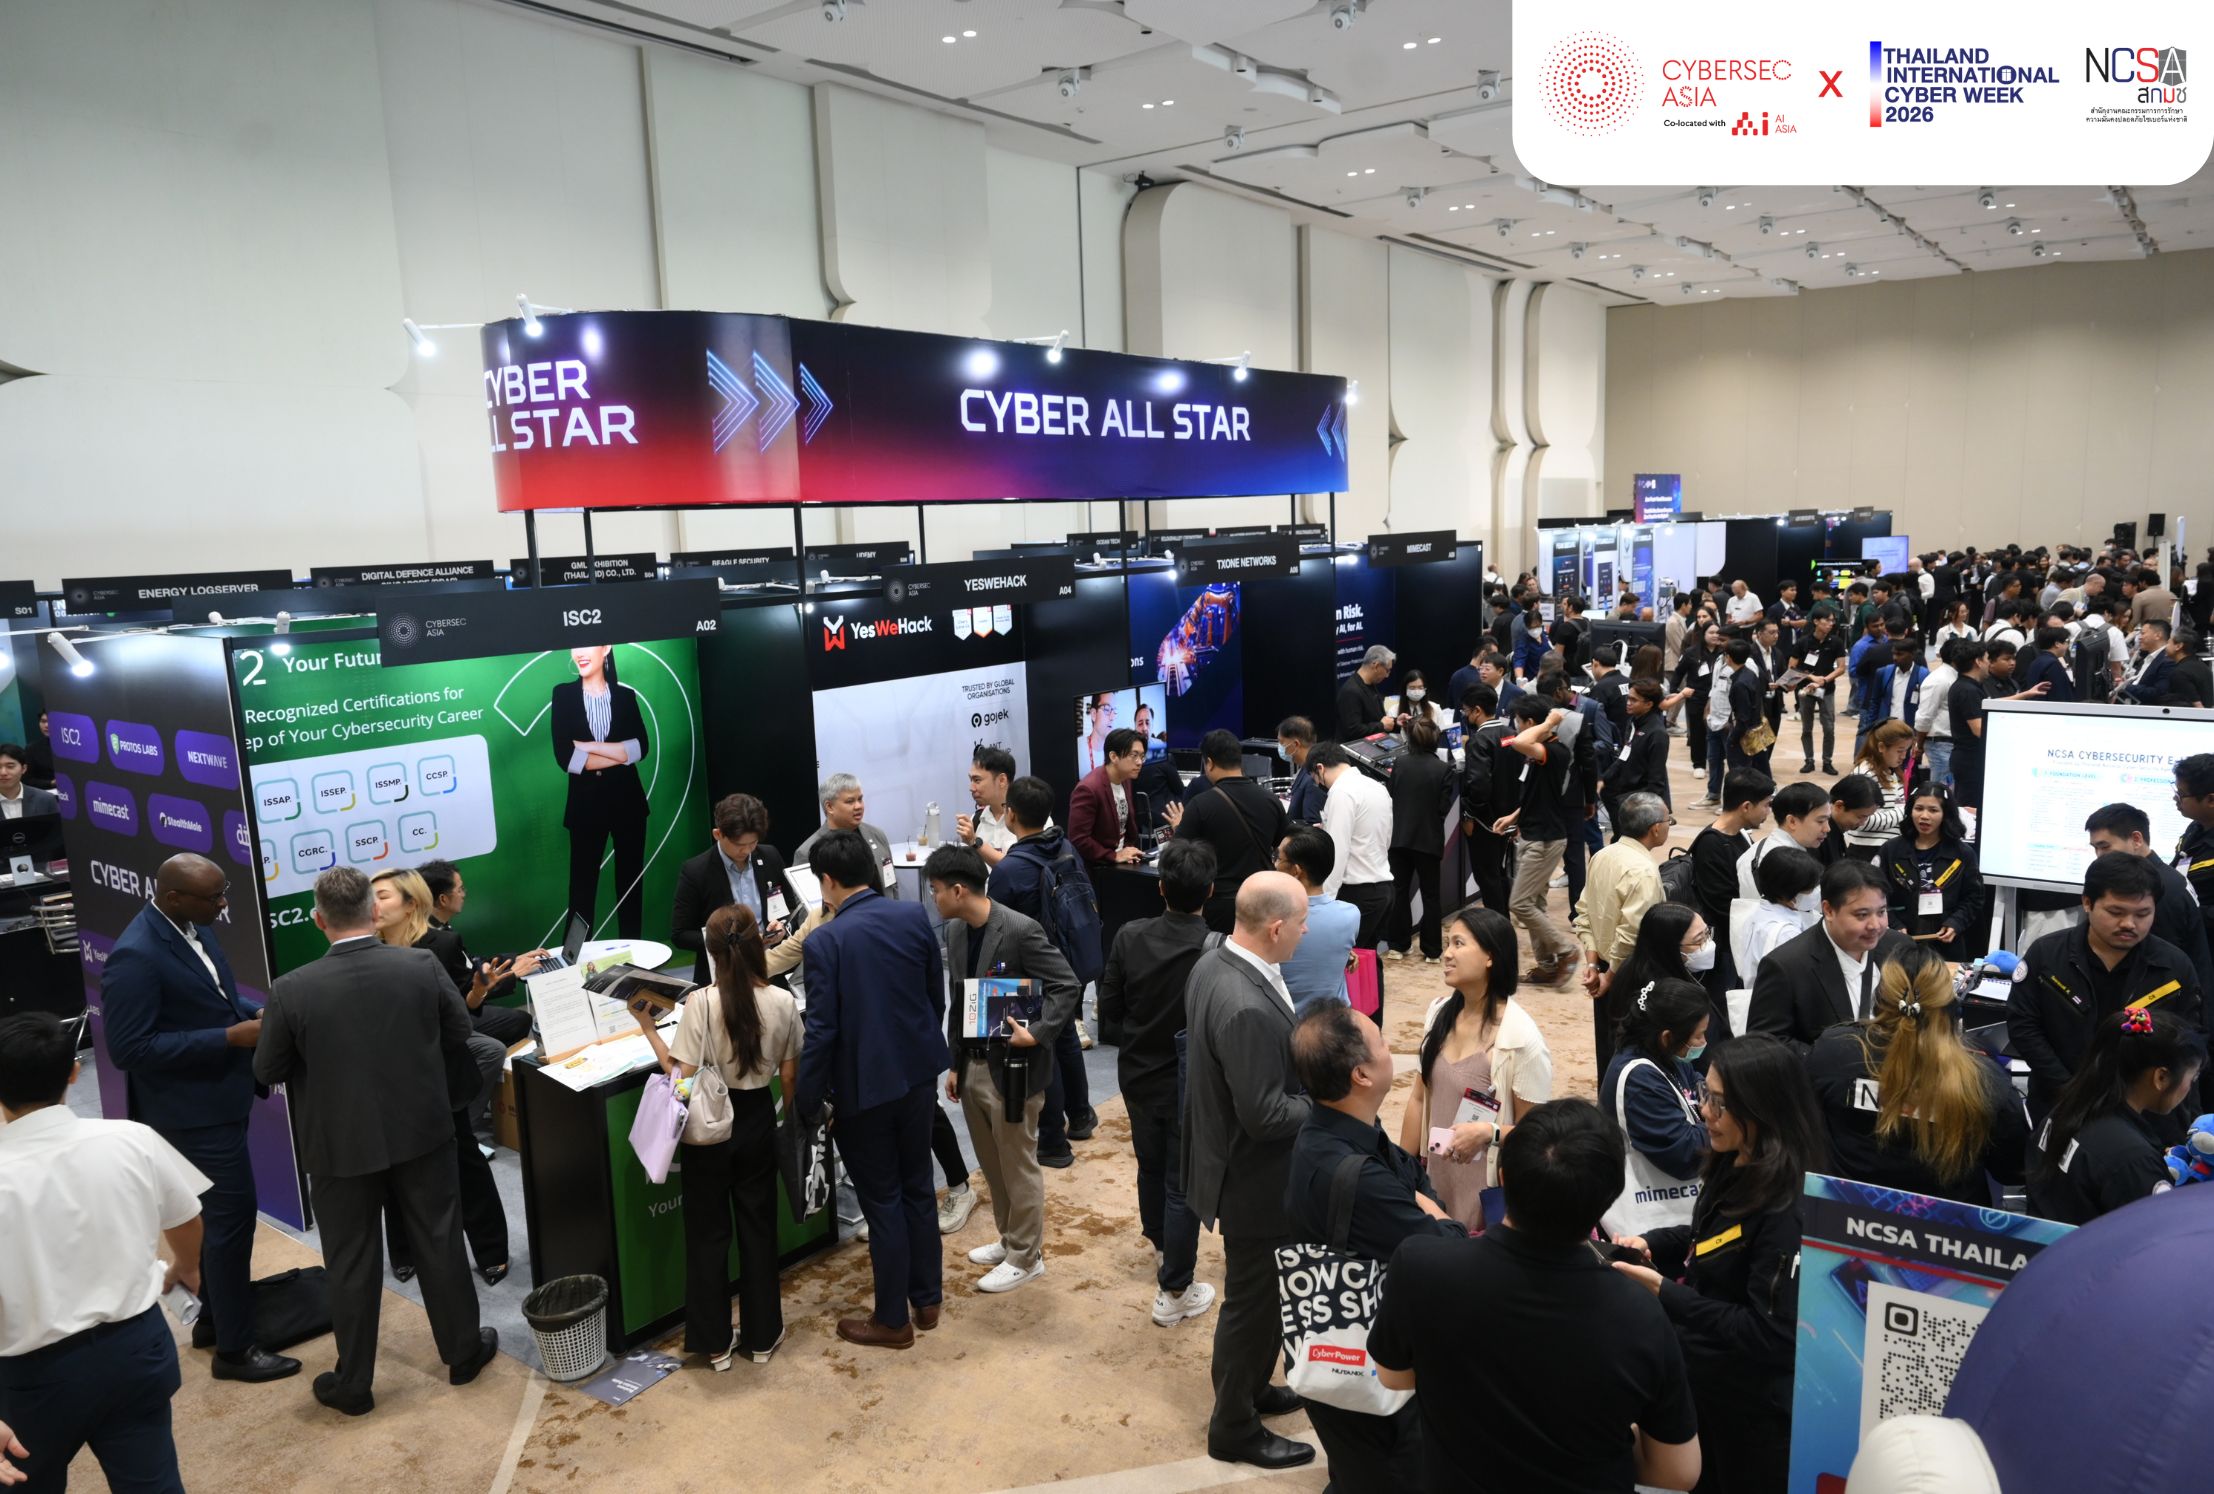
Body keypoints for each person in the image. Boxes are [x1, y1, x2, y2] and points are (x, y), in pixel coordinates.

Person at [254, 867, 496, 1415]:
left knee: (350, 1260)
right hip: (424, 1131)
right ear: (372, 912)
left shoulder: (291, 989)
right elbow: (461, 1032)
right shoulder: (421, 966)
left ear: (318, 921)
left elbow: (268, 1069)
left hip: (338, 1148)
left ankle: (354, 1383)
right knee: (439, 1240)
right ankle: (462, 1353)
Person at [1370, 1099, 1702, 1494]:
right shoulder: (1640, 1313)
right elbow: (1678, 1472)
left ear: (1504, 1178)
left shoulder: (1422, 1267)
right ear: (1609, 1196)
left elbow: (1393, 1376)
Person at [99, 852, 298, 1384]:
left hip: (219, 1098)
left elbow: (214, 998)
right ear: (173, 897)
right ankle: (236, 1351)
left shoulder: (194, 925)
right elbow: (130, 1049)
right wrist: (229, 1038)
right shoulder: (135, 956)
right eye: (214, 897)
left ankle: (213, 1321)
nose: (224, 904)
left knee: (221, 1221)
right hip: (189, 1114)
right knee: (231, 1221)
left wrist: (248, 1015)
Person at [0, 1012, 210, 1492]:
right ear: (75, 1072)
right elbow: (186, 1217)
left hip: (32, 1376)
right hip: (138, 1350)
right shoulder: (131, 1138)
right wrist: (186, 1267)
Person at [1613, 1035, 1819, 1494]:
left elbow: (1768, 1334)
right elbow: (1708, 1237)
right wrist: (1651, 1242)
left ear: (1762, 1109)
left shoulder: (1787, 1209)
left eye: (1720, 1103)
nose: (1705, 1112)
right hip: (1704, 1385)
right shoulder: (1733, 1162)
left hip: (1750, 1413)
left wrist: (1665, 1292)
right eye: (1705, 1094)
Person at [1283, 1004, 1467, 1493]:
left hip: (1346, 1362)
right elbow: (1446, 1246)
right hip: (1368, 1377)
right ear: (1361, 1074)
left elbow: (1414, 1179)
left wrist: (1421, 1200)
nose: (1390, 1049)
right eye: (1381, 1042)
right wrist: (1432, 1210)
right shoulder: (1356, 1176)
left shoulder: (1336, 1130)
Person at [794, 829, 950, 1349]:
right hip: (918, 1074)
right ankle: (927, 1299)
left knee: (882, 1200)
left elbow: (821, 1033)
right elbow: (934, 994)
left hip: (863, 1089)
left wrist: (807, 1100)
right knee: (918, 1185)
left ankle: (891, 1321)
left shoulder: (824, 942)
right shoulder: (912, 916)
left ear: (827, 881)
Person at [1181, 872, 1314, 1470]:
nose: (1307, 932)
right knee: (1253, 1306)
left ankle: (1254, 1388)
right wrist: (1326, 1100)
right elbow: (1265, 1115)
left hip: (1232, 1161)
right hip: (1254, 1178)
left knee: (1263, 1300)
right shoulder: (1246, 1005)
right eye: (1302, 923)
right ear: (1277, 928)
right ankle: (1233, 1426)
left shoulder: (1214, 959)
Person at [629, 904, 800, 1368]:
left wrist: (649, 1029)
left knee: (707, 1233)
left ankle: (715, 1342)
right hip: (757, 1118)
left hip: (707, 1127)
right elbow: (789, 1076)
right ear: (758, 944)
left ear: (711, 951)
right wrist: (791, 1125)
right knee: (758, 1230)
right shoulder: (783, 1002)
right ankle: (762, 1336)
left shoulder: (700, 1003)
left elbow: (680, 1079)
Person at [927, 845, 1080, 1296]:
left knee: (1018, 1164)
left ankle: (1026, 1257)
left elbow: (1066, 984)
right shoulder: (956, 931)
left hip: (1015, 1070)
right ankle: (1010, 1238)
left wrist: (1039, 1032)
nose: (933, 897)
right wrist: (954, 1064)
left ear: (959, 890)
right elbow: (960, 1002)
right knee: (992, 1165)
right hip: (973, 1066)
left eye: (936, 889)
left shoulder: (1019, 929)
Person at [1097, 839, 1217, 1328]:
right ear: (1209, 891)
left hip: (1137, 1073)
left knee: (1149, 1164)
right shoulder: (1218, 948)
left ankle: (1163, 1245)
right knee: (1181, 1181)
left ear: (1161, 887)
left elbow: (1110, 1007)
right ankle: (1176, 1286)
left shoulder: (1129, 935)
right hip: (1191, 1082)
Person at [368, 869, 509, 1285]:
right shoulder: (363, 948)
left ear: (411, 903)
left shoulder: (442, 944)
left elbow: (463, 1010)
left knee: (464, 1162)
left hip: (440, 1072)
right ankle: (404, 1250)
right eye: (370, 897)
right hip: (387, 1080)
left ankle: (491, 1250)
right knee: (395, 1169)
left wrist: (479, 991)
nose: (373, 904)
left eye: (383, 896)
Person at [1805, 945, 2029, 1204]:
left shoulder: (1832, 1052)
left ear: (1879, 1000)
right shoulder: (1985, 1082)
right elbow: (2011, 1169)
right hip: (1949, 1225)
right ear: (1950, 1007)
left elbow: (1807, 1130)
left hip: (1845, 1215)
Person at [2010, 851, 2203, 1128]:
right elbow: (2023, 1025)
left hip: (2144, 1115)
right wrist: (2069, 1088)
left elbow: (2189, 1041)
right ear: (2087, 902)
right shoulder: (2047, 955)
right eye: (2116, 912)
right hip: (2058, 1102)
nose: (2129, 924)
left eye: (2143, 914)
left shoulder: (2174, 967)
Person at [1399, 906, 1554, 1230]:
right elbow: (1418, 1099)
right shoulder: (1438, 1013)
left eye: (1458, 944)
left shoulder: (1521, 1040)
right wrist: (1400, 1169)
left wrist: (1489, 1132)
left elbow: (1538, 1133)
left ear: (1490, 957)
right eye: (1447, 944)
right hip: (1434, 1179)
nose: (1447, 954)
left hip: (1485, 1192)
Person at [990, 774, 1099, 1164]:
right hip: (1068, 963)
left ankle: (1053, 1142)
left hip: (1030, 973)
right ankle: (1081, 1116)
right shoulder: (1066, 847)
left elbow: (997, 931)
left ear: (1010, 814)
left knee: (1040, 1050)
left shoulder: (1008, 871)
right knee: (1064, 1034)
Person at [2027, 1008, 2205, 1225]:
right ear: (2161, 1077)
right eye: (2192, 1078)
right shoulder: (2133, 1159)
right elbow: (2156, 1235)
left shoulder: (2064, 1111)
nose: (2189, 1088)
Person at [1747, 859, 1913, 1051]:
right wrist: (1826, 1059)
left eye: (1881, 912)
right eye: (1862, 915)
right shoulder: (1786, 966)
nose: (1875, 925)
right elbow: (1765, 1043)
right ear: (1829, 910)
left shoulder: (1900, 947)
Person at [551, 644, 650, 939]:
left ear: (606, 648)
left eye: (587, 646)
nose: (579, 653)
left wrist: (590, 746)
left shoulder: (625, 696)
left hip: (629, 805)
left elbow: (640, 748)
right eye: (575, 647)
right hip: (585, 809)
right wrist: (619, 754)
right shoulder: (563, 695)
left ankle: (634, 956)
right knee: (581, 891)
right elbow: (568, 759)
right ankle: (574, 959)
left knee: (631, 887)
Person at [1598, 978, 1710, 1237]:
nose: (1704, 1042)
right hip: (1649, 1221)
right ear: (1667, 1036)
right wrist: (1726, 1123)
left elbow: (1697, 1083)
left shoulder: (1665, 1056)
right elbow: (1685, 1152)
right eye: (1698, 1035)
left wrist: (1710, 1099)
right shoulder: (1640, 1079)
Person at [1574, 792, 1671, 1071]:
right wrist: (1609, 977)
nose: (1669, 825)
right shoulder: (1644, 871)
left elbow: (1584, 912)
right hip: (1630, 977)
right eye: (1669, 821)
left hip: (1605, 968)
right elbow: (1631, 935)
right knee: (1632, 1055)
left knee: (1607, 1050)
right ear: (1655, 828)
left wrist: (1594, 965)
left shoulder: (1602, 855)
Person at [1491, 695, 1582, 986]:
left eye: (1519, 721)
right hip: (1533, 833)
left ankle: (1565, 950)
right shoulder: (1538, 752)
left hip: (1544, 840)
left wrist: (1549, 722)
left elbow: (1519, 741)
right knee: (1535, 903)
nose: (1515, 726)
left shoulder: (1553, 751)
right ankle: (1547, 966)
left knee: (1520, 904)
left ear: (1530, 722)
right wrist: (1514, 817)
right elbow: (1538, 795)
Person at [1162, 728, 1287, 933]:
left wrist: (1178, 827)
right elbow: (1284, 845)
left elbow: (1178, 856)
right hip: (1263, 900)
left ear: (1209, 763)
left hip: (1220, 905)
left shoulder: (1200, 805)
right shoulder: (1272, 801)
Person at [2084, 801, 2214, 997]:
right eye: (2095, 848)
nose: (2099, 856)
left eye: (2105, 847)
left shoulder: (2158, 889)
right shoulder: (2165, 878)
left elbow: (2161, 965)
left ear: (2136, 839)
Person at [670, 791, 798, 987]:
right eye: (739, 845)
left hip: (770, 968)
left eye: (753, 843)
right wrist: (732, 942)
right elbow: (680, 934)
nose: (747, 851)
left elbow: (789, 907)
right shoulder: (696, 871)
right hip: (722, 974)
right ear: (718, 834)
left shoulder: (770, 856)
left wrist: (782, 927)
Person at [1690, 769, 1775, 996]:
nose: (1769, 812)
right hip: (1725, 950)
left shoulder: (1740, 834)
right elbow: (1721, 905)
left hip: (1739, 942)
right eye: (1766, 805)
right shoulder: (1711, 844)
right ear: (1746, 806)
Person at [1307, 742, 1394, 950]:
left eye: (1315, 778)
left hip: (1356, 893)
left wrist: (1325, 901)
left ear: (1320, 768)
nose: (1319, 784)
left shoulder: (1341, 792)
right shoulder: (1376, 786)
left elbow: (1336, 851)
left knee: (1345, 959)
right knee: (1369, 958)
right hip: (1384, 888)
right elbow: (1385, 838)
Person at [1879, 784, 1984, 952]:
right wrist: (1894, 924)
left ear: (1945, 814)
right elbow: (1877, 894)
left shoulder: (1963, 853)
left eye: (1933, 810)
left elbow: (1974, 897)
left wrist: (1956, 923)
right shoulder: (1891, 850)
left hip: (1946, 944)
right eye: (1919, 808)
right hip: (1900, 943)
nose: (1924, 816)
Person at [1384, 716, 1455, 962]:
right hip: (1429, 840)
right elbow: (1443, 808)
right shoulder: (1444, 769)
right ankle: (1432, 951)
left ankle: (1398, 945)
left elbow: (1390, 796)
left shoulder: (1400, 764)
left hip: (1399, 838)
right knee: (1431, 895)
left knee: (1399, 892)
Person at [1275, 827, 1362, 1013]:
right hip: (1332, 1020)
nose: (1275, 864)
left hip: (1282, 1019)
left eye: (1279, 858)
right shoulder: (1350, 915)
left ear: (1296, 870)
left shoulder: (1272, 917)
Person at [794, 773, 898, 893]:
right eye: (850, 801)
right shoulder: (807, 852)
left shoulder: (876, 835)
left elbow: (892, 885)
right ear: (829, 807)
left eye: (860, 799)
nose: (858, 806)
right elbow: (806, 901)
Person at [1734, 780, 1833, 905]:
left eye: (1828, 820)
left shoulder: (1764, 846)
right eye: (1820, 821)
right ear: (1792, 821)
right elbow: (1811, 905)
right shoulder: (1785, 864)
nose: (1827, 829)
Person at [1066, 727, 1145, 867]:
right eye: (1134, 755)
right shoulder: (1088, 789)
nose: (1139, 762)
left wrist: (1129, 851)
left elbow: (1128, 827)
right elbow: (1079, 839)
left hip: (1124, 860)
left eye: (1142, 756)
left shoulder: (1125, 779)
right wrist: (1113, 856)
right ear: (1113, 757)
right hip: (1100, 866)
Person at [1841, 720, 1913, 859]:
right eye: (1900, 751)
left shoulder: (1891, 771)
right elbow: (1860, 821)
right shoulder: (1865, 773)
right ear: (1881, 747)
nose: (1904, 756)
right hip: (1866, 850)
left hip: (1887, 847)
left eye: (1906, 750)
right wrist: (1905, 811)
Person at [1790, 607, 1848, 775]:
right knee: (1806, 727)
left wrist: (1824, 680)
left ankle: (1827, 761)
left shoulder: (1836, 642)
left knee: (1829, 727)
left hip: (1827, 690)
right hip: (1806, 690)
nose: (1831, 624)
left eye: (1832, 621)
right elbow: (1792, 667)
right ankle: (1809, 760)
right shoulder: (1803, 642)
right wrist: (1812, 678)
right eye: (1827, 620)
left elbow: (1841, 667)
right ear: (1816, 621)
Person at [1608, 677, 1674, 819]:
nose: (1628, 703)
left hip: (1641, 804)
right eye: (1628, 698)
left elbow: (1656, 781)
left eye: (1634, 700)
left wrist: (1646, 812)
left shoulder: (1657, 734)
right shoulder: (1633, 721)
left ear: (1649, 704)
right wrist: (1603, 779)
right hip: (1625, 794)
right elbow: (1625, 754)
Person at [956, 745, 1030, 867]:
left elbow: (1021, 867)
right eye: (971, 780)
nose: (971, 788)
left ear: (1002, 780)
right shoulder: (976, 820)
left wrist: (976, 842)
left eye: (977, 780)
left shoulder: (1032, 819)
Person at [1914, 637, 1960, 790]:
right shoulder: (1939, 679)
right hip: (1940, 743)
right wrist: (1919, 744)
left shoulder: (1955, 676)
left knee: (1950, 791)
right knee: (1941, 792)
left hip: (1951, 743)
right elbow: (1925, 717)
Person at [0, 744, 60, 861]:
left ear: (23, 769)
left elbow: (56, 841)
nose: (3, 772)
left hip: (41, 865)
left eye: (10, 766)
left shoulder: (45, 799)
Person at [1336, 644, 1403, 739]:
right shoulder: (1351, 692)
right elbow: (1353, 730)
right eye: (1387, 670)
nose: (1387, 675)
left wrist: (1396, 722)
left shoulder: (1370, 685)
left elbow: (1378, 718)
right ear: (1376, 666)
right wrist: (1381, 726)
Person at [1275, 716, 1326, 823]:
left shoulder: (1314, 777)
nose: (1280, 747)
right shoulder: (1305, 767)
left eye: (1281, 742)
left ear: (1296, 744)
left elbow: (1312, 824)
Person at [2122, 619, 2178, 703]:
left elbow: (2159, 693)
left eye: (2143, 633)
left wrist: (2125, 687)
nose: (2139, 637)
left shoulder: (2168, 662)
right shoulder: (2147, 658)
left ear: (2157, 635)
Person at [2021, 624, 2078, 701]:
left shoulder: (2037, 660)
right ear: (2057, 644)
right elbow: (2060, 694)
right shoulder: (2052, 664)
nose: (2067, 645)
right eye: (2066, 641)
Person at [1079, 691, 1118, 776]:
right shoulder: (1078, 748)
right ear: (1093, 714)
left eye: (1114, 711)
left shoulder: (1117, 751)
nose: (1112, 717)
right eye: (1107, 709)